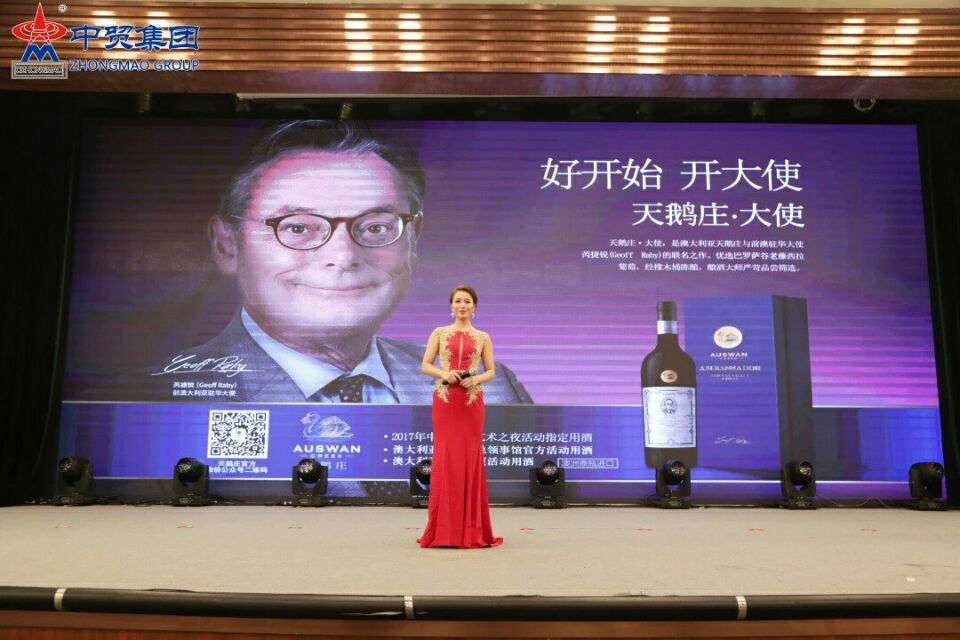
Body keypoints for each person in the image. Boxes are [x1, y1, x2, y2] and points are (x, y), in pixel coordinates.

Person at [120, 120, 532, 404]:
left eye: (375, 227)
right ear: (228, 245)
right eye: (298, 228)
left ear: (413, 238)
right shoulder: (148, 399)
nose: (342, 256)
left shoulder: (489, 388)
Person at [417, 285, 503, 548]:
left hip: (471, 401)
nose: (462, 305)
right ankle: (444, 530)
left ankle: (471, 529)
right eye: (457, 301)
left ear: (474, 307)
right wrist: (444, 373)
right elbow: (425, 365)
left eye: (467, 301)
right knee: (445, 457)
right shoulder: (439, 333)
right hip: (445, 399)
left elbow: (491, 371)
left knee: (470, 457)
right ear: (451, 306)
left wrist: (475, 379)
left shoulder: (483, 337)